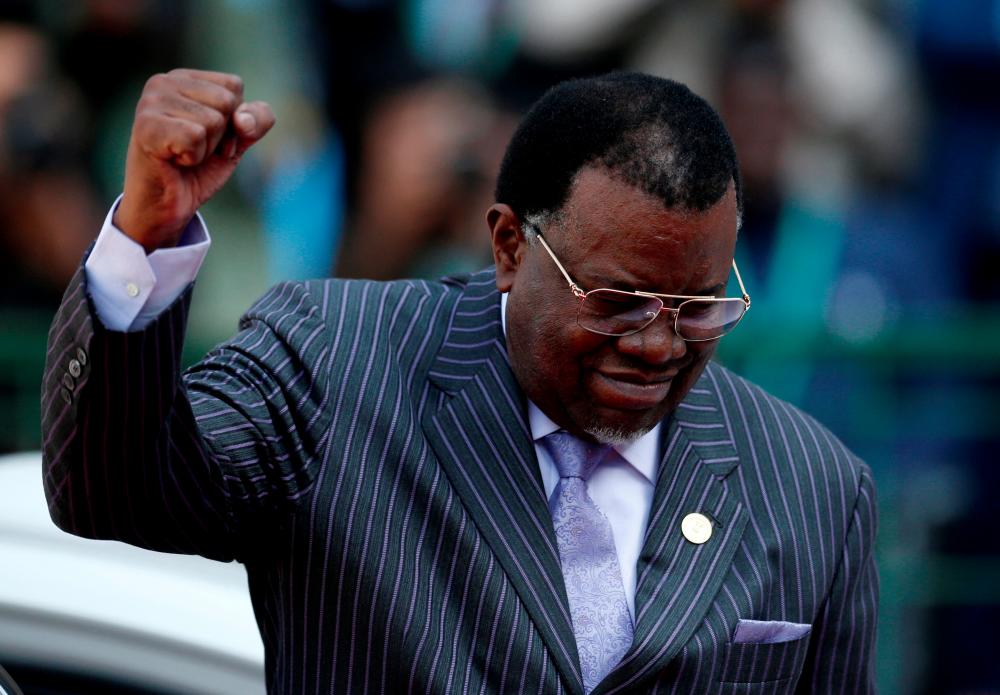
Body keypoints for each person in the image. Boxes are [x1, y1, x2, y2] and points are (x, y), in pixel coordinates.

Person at [41, 69, 878, 694]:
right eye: (618, 302)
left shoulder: (813, 488)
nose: (659, 344)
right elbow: (110, 490)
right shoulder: (337, 364)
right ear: (511, 245)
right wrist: (145, 240)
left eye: (698, 306)